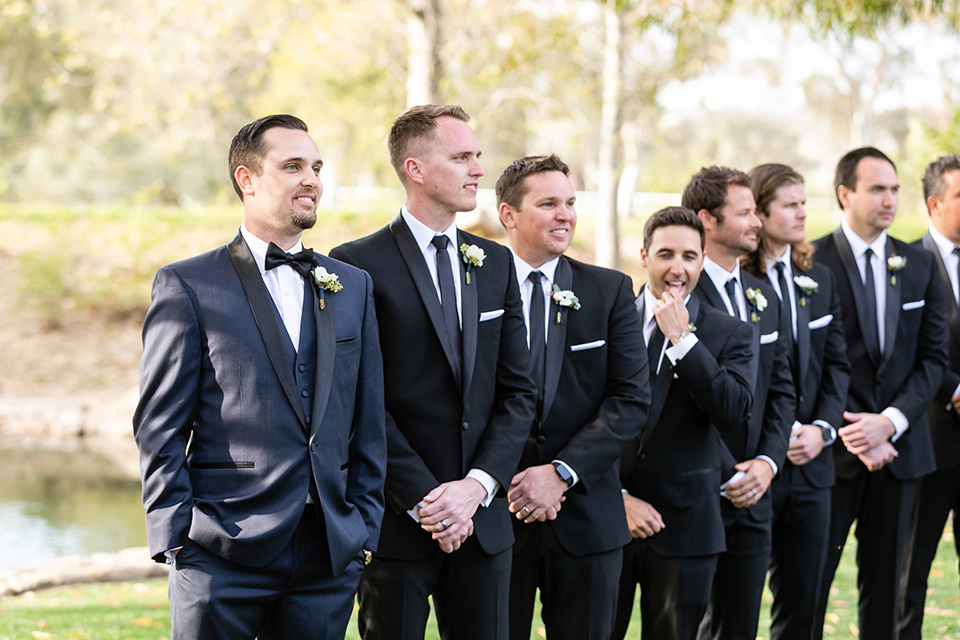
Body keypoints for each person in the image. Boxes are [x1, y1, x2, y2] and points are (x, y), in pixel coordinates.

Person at [133, 114, 387, 640]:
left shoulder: (352, 286)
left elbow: (367, 417)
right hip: (220, 550)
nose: (311, 179)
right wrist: (174, 535)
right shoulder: (188, 284)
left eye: (316, 167)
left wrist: (363, 527)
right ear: (246, 180)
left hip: (328, 555)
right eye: (292, 166)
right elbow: (159, 426)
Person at [330, 105, 537, 640]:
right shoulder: (354, 265)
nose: (477, 170)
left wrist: (475, 488)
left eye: (478, 157)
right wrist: (426, 498)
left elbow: (518, 393)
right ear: (416, 169)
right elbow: (356, 400)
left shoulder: (495, 262)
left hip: (484, 520)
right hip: (398, 523)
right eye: (462, 157)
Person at [495, 155, 649, 640]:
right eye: (548, 204)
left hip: (587, 519)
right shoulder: (475, 288)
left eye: (570, 203)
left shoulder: (608, 290)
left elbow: (629, 400)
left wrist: (561, 474)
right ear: (508, 215)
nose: (565, 214)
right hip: (498, 517)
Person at [812, 147, 948, 639]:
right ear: (845, 193)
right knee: (810, 590)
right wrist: (854, 428)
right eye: (876, 189)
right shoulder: (812, 262)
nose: (889, 199)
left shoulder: (918, 264)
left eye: (893, 189)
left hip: (901, 454)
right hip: (831, 458)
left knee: (888, 596)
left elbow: (933, 359)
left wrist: (890, 422)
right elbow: (812, 366)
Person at [613, 206, 754, 640]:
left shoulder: (730, 332)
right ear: (643, 255)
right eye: (666, 255)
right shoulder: (605, 316)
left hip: (687, 526)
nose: (678, 268)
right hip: (604, 518)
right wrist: (615, 496)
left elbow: (732, 411)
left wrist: (684, 341)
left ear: (703, 258)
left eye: (690, 257)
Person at [682, 166, 795, 640]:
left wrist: (767, 463)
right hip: (698, 490)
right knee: (685, 625)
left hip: (755, 493)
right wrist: (730, 472)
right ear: (708, 220)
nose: (757, 222)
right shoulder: (678, 293)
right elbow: (675, 400)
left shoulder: (763, 294)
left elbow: (781, 388)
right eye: (745, 212)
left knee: (741, 626)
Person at [741, 164, 850, 640]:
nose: (803, 212)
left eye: (804, 202)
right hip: (752, 464)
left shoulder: (819, 278)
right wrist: (774, 439)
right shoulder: (737, 282)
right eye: (790, 204)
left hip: (812, 467)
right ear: (760, 213)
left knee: (804, 606)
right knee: (733, 604)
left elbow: (837, 367)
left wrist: (822, 431)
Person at [900, 154, 960, 639]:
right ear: (935, 203)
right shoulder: (909, 264)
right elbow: (905, 350)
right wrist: (954, 388)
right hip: (931, 441)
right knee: (910, 571)